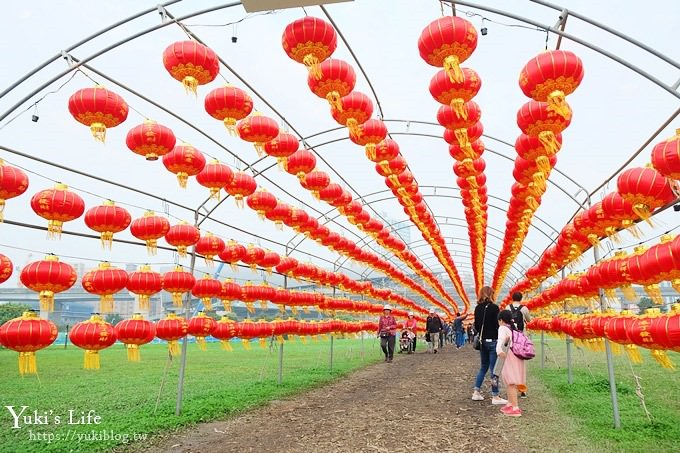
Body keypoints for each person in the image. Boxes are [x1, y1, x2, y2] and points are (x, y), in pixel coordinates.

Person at [471, 286, 507, 406]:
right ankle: (495, 395)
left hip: (482, 342)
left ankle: (476, 392)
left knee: (483, 367)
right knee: (494, 369)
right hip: (493, 341)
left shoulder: (477, 308)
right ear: (491, 294)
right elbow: (498, 325)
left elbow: (476, 325)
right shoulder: (494, 308)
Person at [495, 309, 526, 417]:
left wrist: (499, 351)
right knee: (510, 380)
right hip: (516, 355)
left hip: (508, 355)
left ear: (501, 320)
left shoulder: (503, 328)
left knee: (510, 381)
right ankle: (510, 403)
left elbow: (501, 340)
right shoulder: (514, 327)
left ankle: (515, 408)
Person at [509, 291, 531, 398]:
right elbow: (529, 320)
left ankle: (512, 387)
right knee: (521, 364)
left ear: (512, 298)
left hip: (511, 339)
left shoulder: (507, 308)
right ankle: (522, 390)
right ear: (521, 298)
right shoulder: (524, 309)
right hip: (521, 338)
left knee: (512, 364)